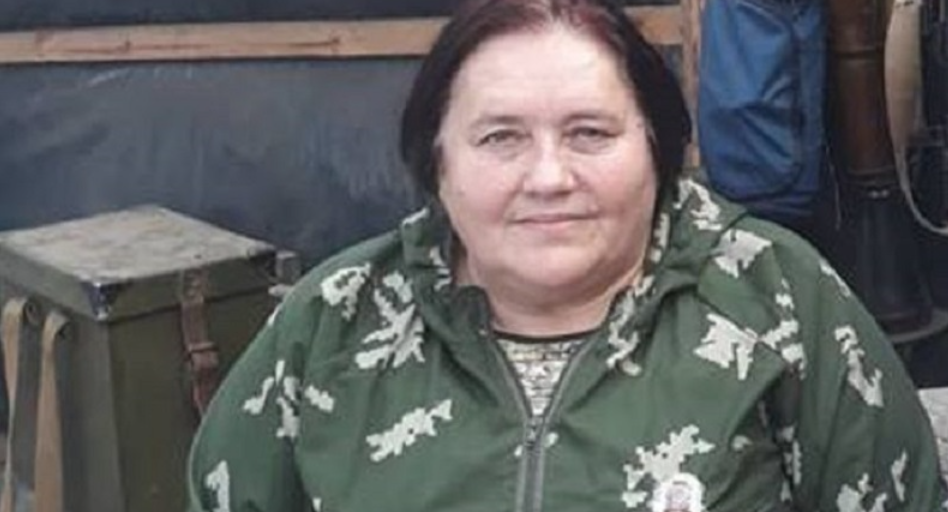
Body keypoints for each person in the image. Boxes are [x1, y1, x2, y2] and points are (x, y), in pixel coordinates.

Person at [186, 0, 948, 510]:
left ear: (657, 150)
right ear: (438, 163)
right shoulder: (333, 323)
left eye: (590, 133)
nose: (549, 177)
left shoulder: (774, 298)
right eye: (501, 137)